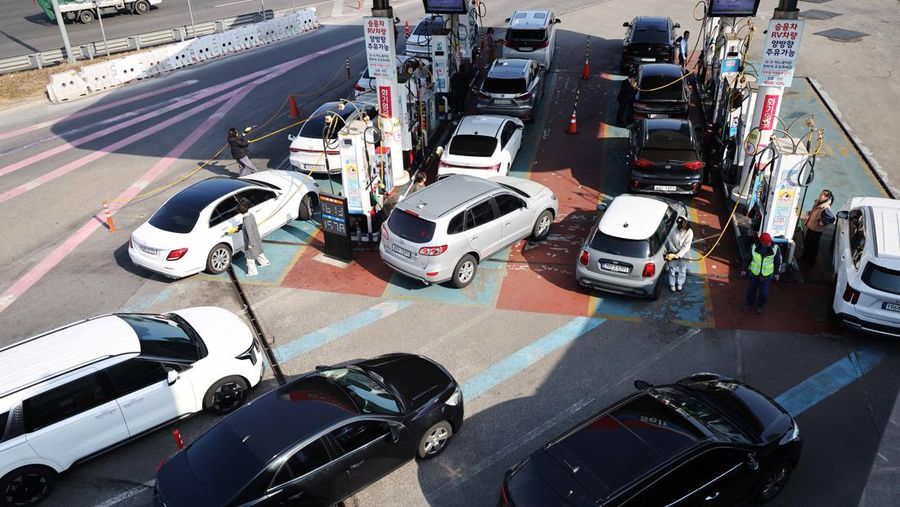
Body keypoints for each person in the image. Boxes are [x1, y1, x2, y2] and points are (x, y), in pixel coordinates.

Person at [741, 232, 781, 314]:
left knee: (764, 293)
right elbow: (747, 258)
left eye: (769, 242)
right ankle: (750, 304)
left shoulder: (775, 249)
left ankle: (760, 306)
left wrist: (777, 273)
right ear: (761, 242)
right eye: (766, 243)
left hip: (767, 275)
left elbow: (777, 261)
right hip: (754, 273)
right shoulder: (753, 247)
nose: (769, 244)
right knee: (751, 290)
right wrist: (744, 269)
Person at [798, 189, 835, 265]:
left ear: (826, 197)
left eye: (822, 194)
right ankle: (804, 257)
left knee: (813, 246)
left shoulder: (825, 207)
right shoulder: (818, 203)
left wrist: (821, 222)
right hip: (811, 227)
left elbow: (831, 218)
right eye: (821, 193)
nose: (820, 195)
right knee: (807, 243)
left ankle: (810, 262)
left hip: (816, 230)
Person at [237, 199, 269, 276]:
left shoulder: (246, 221)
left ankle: (253, 272)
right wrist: (241, 227)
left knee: (249, 256)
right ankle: (264, 262)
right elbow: (249, 226)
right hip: (256, 237)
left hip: (251, 241)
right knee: (258, 250)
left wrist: (250, 244)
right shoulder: (250, 215)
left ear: (240, 212)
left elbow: (249, 232)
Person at [665, 216, 693, 292]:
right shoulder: (673, 230)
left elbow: (687, 246)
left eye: (684, 228)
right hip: (672, 252)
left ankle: (680, 283)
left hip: (683, 254)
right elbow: (670, 240)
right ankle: (672, 284)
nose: (682, 229)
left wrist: (678, 255)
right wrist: (674, 251)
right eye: (681, 228)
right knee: (672, 269)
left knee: (682, 270)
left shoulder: (690, 232)